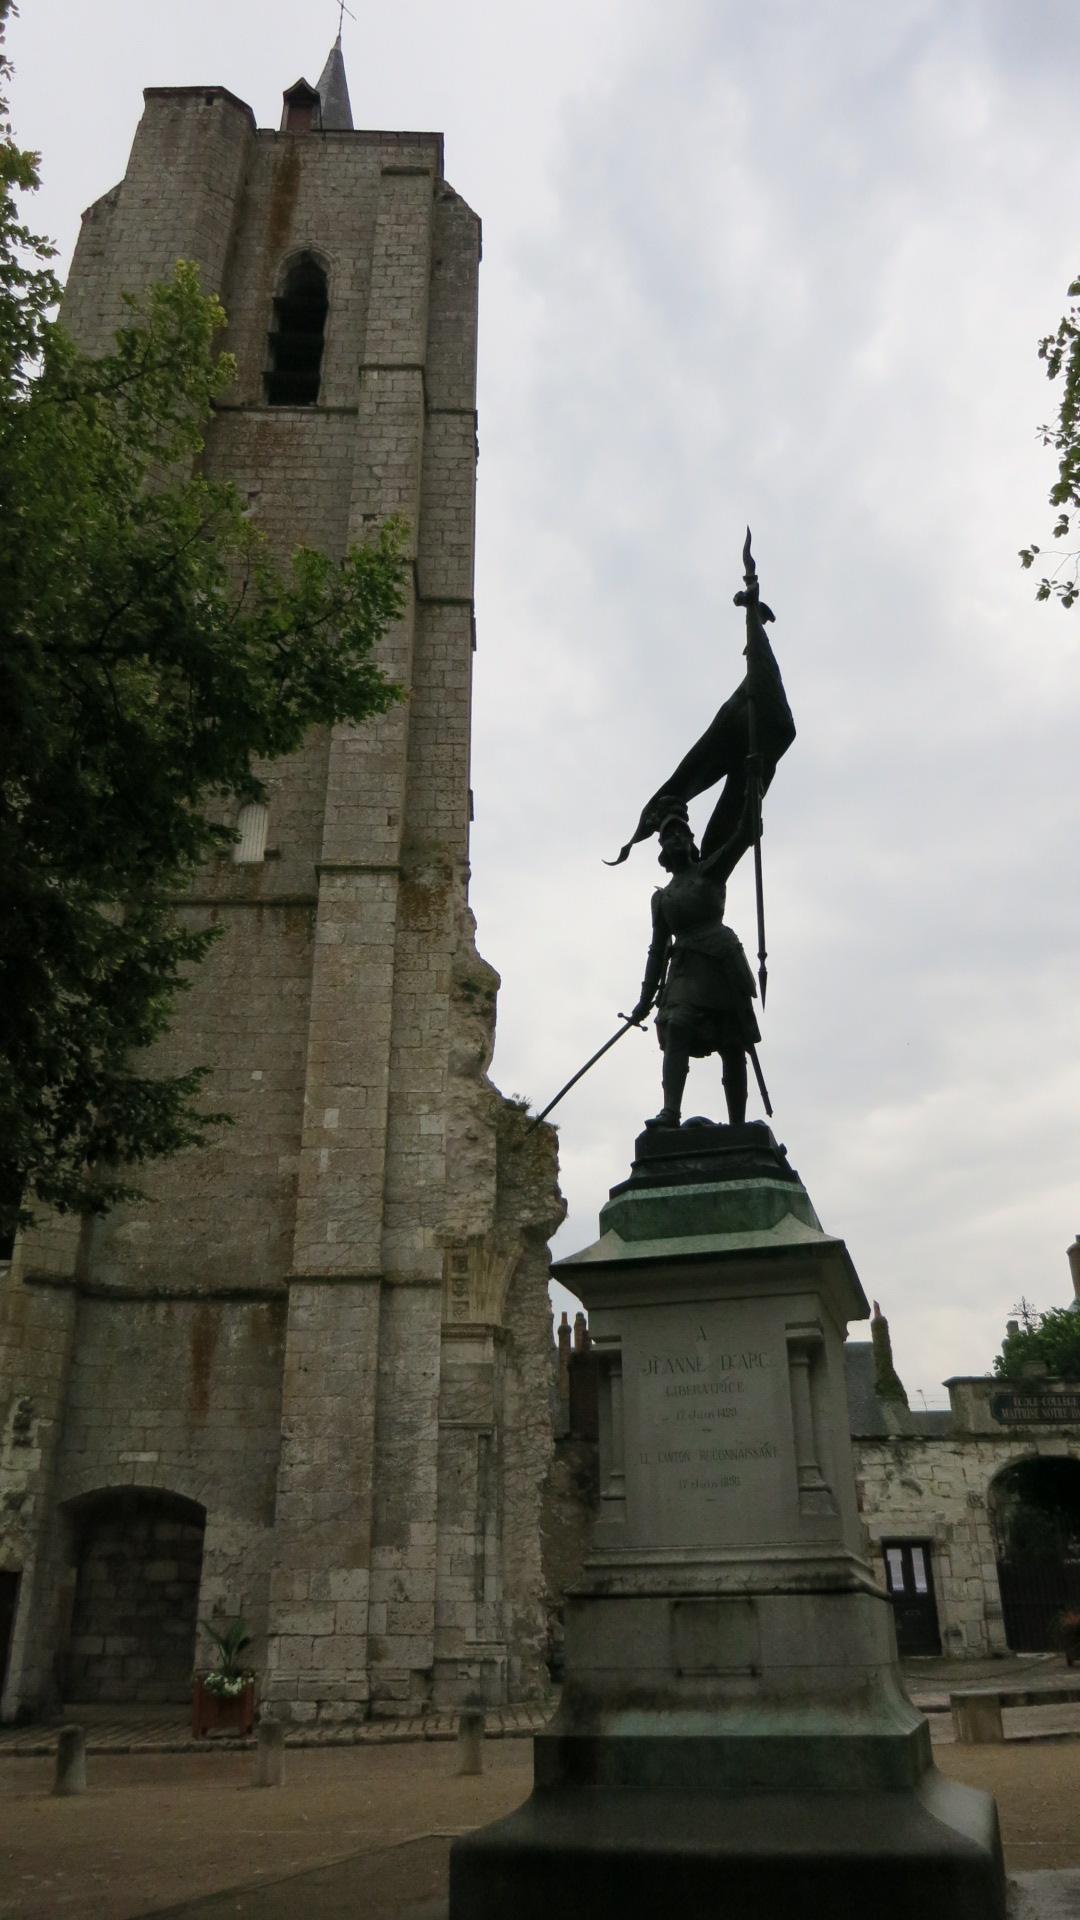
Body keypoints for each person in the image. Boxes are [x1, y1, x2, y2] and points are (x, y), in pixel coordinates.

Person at [629, 800, 759, 1128]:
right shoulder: (663, 898)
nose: (676, 838)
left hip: (722, 961)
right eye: (669, 834)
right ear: (661, 846)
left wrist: (751, 788)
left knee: (731, 1042)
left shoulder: (710, 871)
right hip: (685, 968)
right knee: (676, 1024)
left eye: (682, 833)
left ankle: (737, 1125)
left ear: (691, 841)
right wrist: (644, 999)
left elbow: (743, 836)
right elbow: (657, 950)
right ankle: (670, 1112)